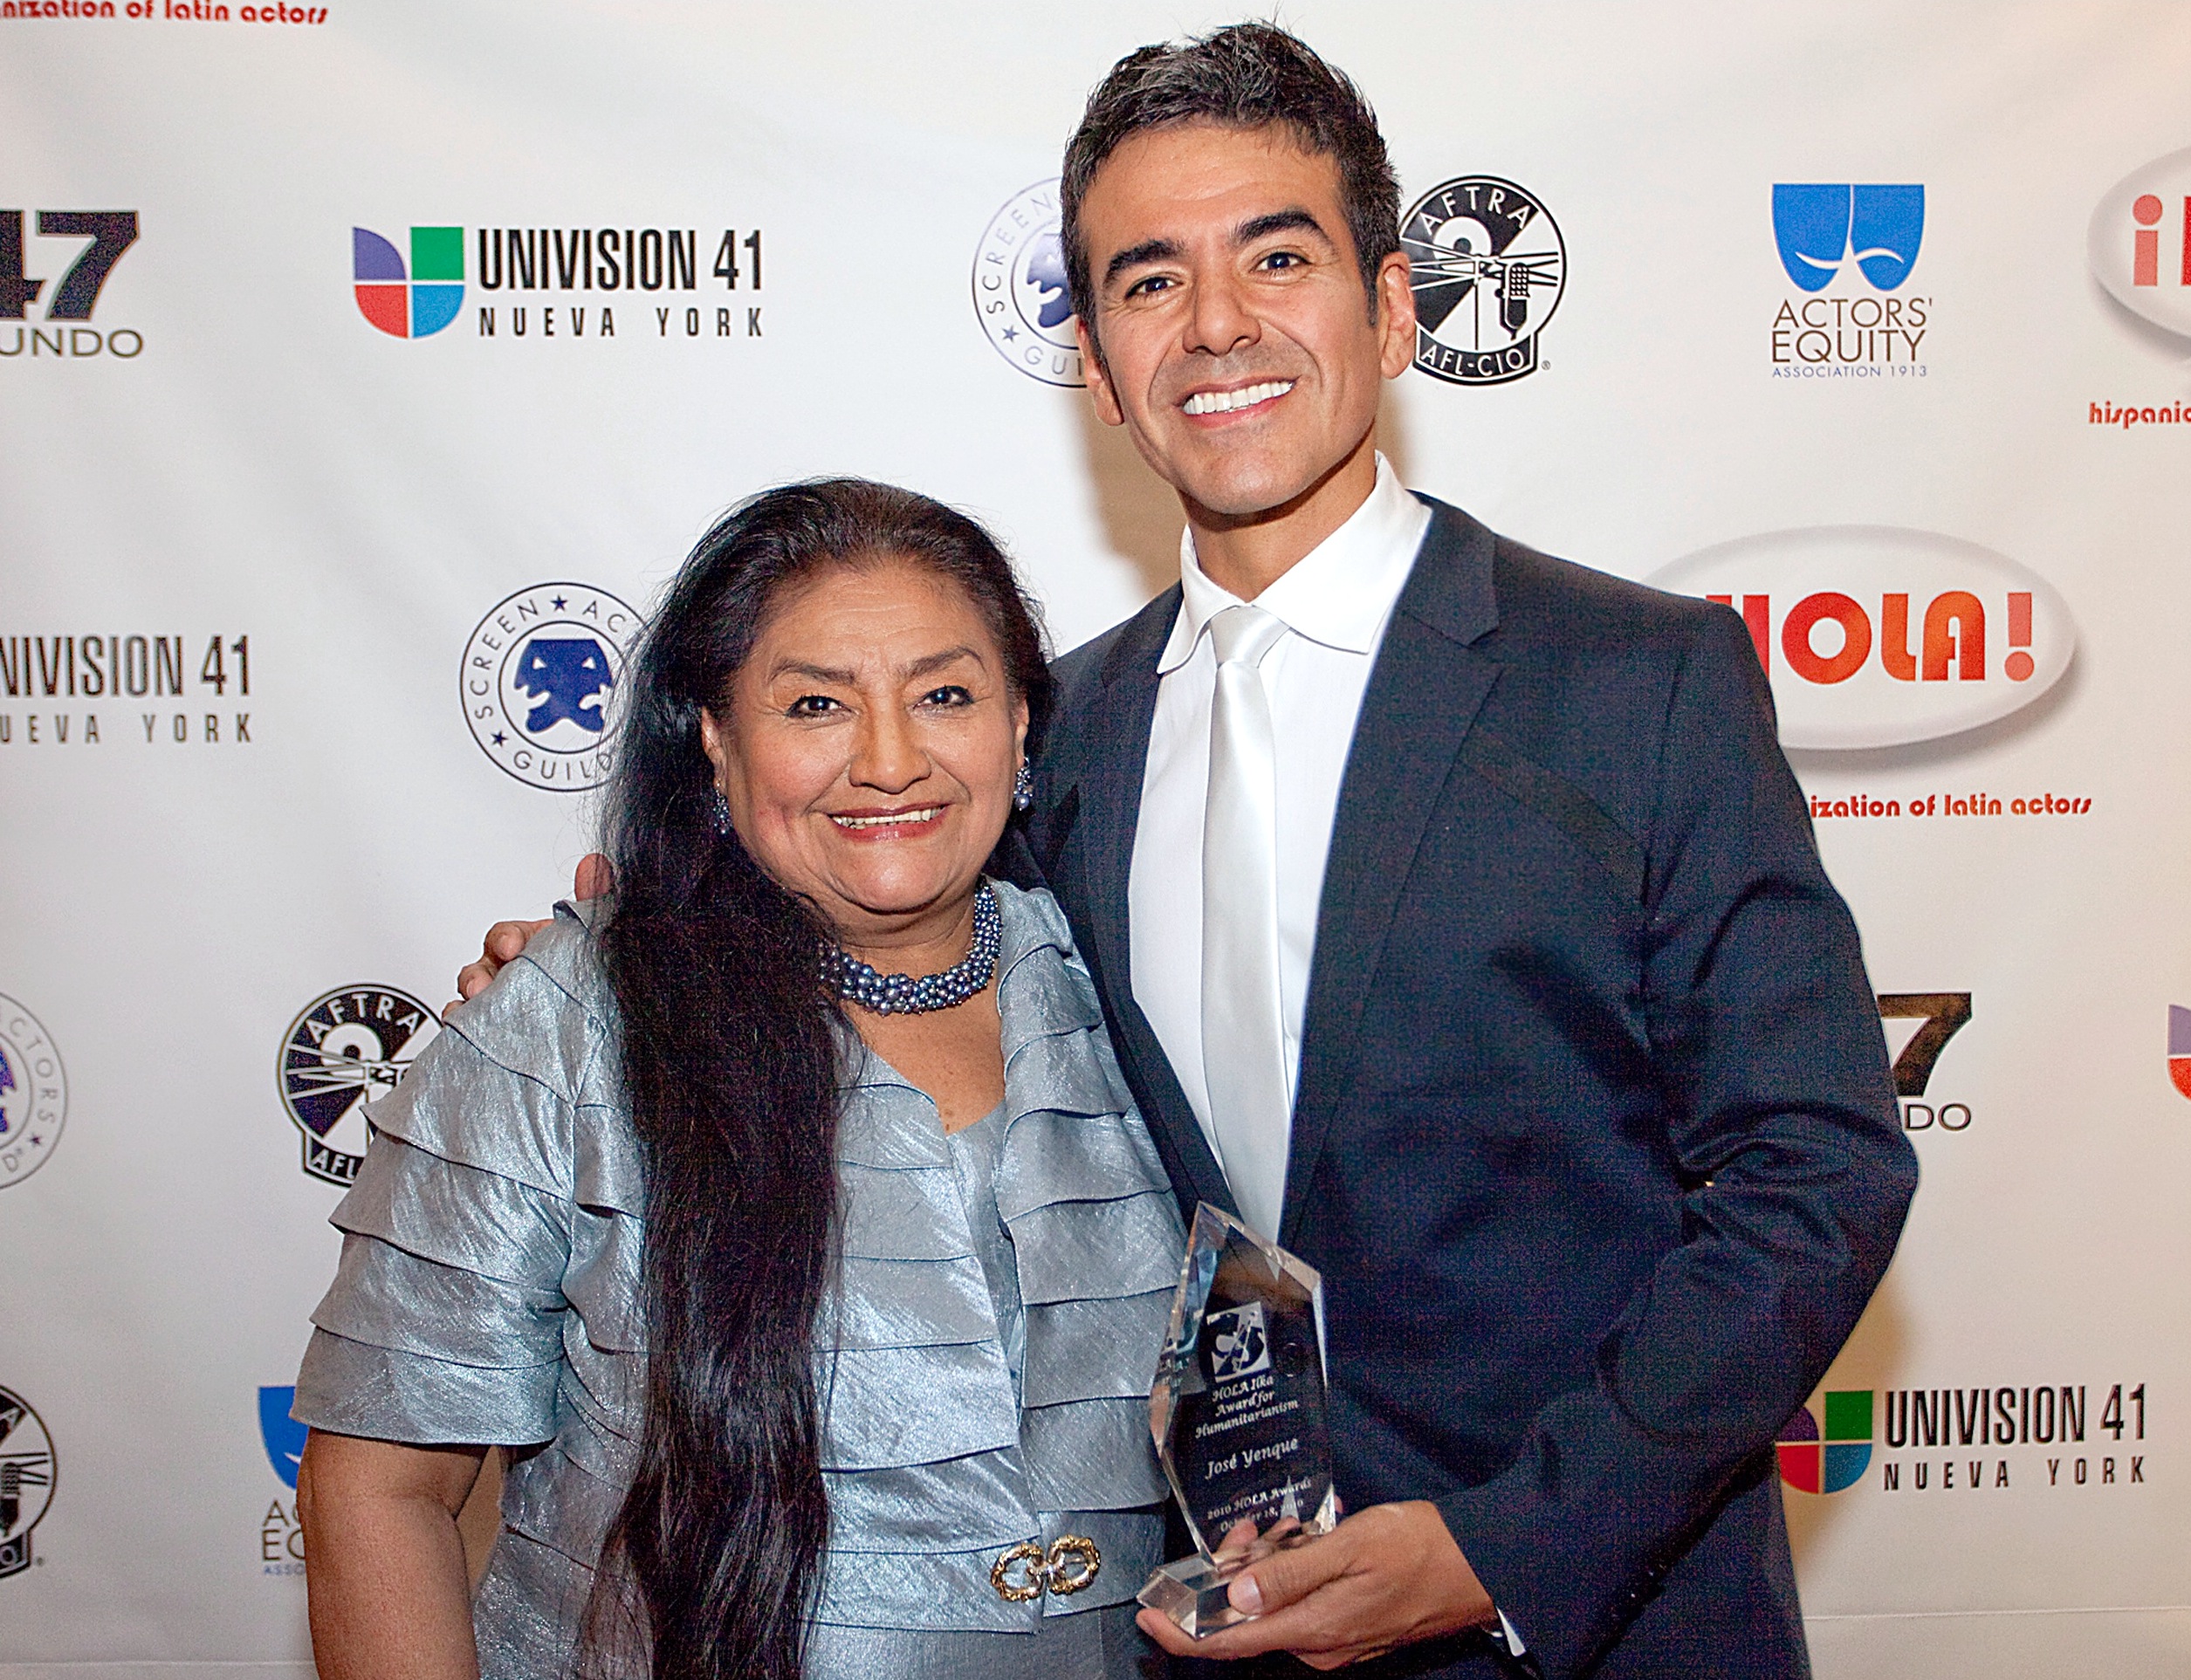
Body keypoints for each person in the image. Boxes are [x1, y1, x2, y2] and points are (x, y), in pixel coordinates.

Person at [463, 24, 1918, 1677]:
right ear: (1093, 360)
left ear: (1391, 307)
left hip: (1590, 1623)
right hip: (1202, 1636)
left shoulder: (1639, 681)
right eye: (1150, 281)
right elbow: (872, 953)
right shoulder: (1041, 740)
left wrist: (1499, 1545)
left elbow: (1821, 1170)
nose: (1216, 323)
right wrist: (597, 980)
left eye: (1276, 257)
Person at [296, 479, 1187, 1680]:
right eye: (817, 702)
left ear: (1023, 725)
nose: (888, 759)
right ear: (716, 740)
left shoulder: (1129, 978)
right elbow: (381, 1491)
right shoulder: (575, 1021)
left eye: (945, 694)